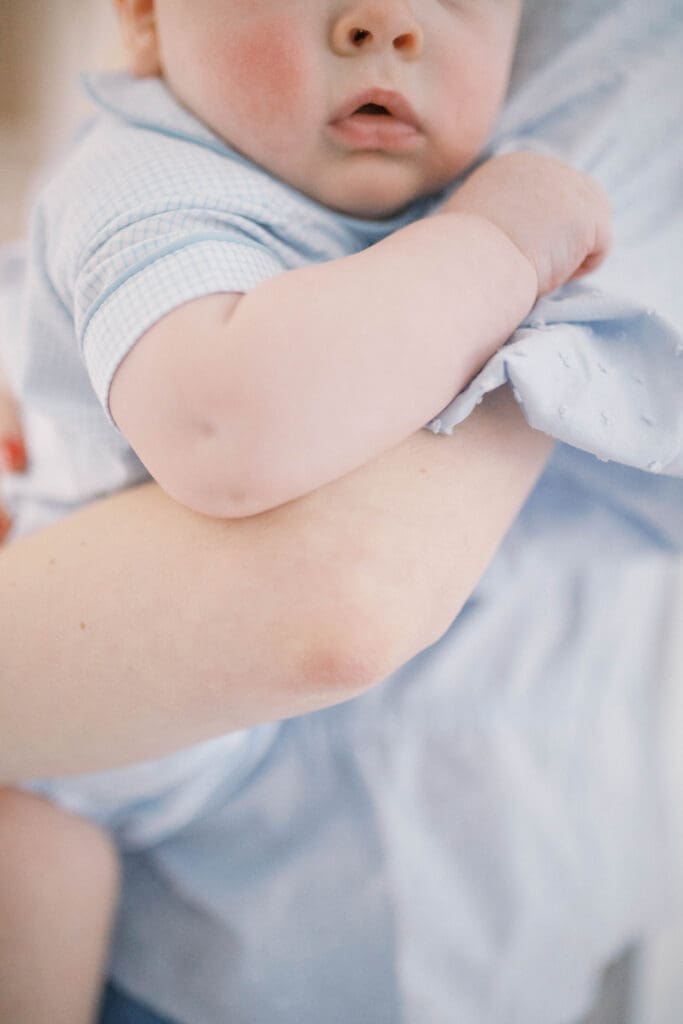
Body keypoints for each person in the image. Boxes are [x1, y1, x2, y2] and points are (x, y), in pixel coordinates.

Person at [1, 1, 682, 1023]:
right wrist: (492, 241)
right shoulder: (145, 181)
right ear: (145, 22)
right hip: (85, 751)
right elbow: (234, 431)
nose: (385, 23)